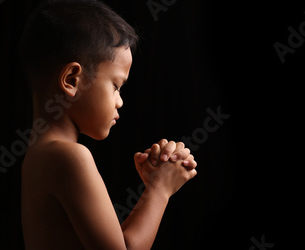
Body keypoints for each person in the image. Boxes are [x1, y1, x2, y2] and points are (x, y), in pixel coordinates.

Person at [18, 1, 197, 249]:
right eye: (115, 86)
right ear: (72, 79)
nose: (120, 102)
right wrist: (159, 190)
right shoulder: (70, 157)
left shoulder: (38, 157)